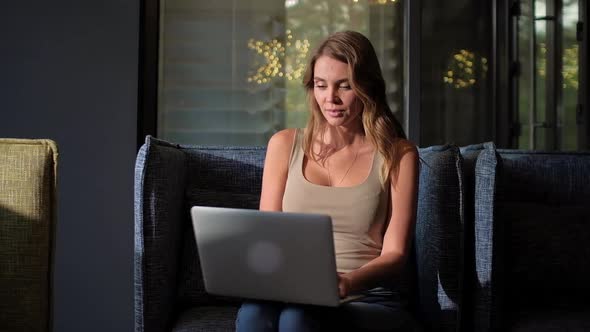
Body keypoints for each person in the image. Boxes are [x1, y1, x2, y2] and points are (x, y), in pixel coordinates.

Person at [235, 30, 419, 332]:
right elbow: (268, 234)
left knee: (299, 318)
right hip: (293, 289)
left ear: (367, 87)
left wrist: (346, 281)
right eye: (321, 86)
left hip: (365, 296)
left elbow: (395, 254)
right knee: (256, 312)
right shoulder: (284, 145)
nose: (330, 98)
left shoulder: (398, 154)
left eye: (344, 86)